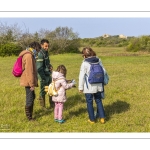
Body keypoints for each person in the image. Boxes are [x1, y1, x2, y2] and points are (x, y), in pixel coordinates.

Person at [78, 47, 108, 124]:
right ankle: (102, 118)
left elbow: (81, 76)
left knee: (89, 102)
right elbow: (104, 71)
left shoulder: (84, 63)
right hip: (99, 86)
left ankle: (92, 119)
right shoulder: (98, 60)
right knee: (98, 101)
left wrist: (80, 87)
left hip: (89, 87)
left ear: (84, 55)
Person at [19, 41, 41, 121]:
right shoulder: (29, 56)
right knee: (30, 98)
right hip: (28, 81)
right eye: (38, 50)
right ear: (35, 48)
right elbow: (29, 71)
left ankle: (30, 114)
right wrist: (32, 84)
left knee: (32, 96)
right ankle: (29, 117)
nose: (37, 52)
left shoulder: (29, 54)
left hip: (28, 80)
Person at [36, 39, 53, 110]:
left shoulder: (46, 52)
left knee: (50, 89)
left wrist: (50, 66)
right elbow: (39, 68)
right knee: (43, 90)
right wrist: (43, 78)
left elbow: (47, 63)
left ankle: (52, 104)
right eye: (45, 46)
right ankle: (43, 107)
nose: (47, 48)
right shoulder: (40, 54)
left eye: (48, 46)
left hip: (47, 73)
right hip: (42, 75)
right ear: (41, 45)